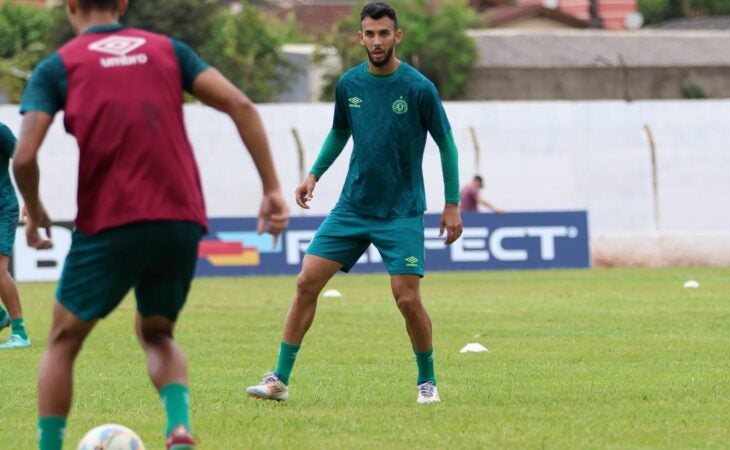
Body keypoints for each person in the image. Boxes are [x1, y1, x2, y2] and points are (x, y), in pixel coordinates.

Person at [13, 1, 290, 449]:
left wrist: (35, 209)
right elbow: (241, 105)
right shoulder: (167, 50)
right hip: (179, 219)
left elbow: (24, 157)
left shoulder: (58, 66)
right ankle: (178, 428)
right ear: (122, 3)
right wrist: (272, 188)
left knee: (62, 341)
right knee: (157, 333)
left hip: (110, 220)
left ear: (69, 6)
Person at [246, 2, 462, 405]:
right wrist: (314, 173)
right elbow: (339, 132)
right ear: (360, 37)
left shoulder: (419, 88)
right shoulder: (349, 85)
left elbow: (446, 143)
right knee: (306, 282)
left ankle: (426, 381)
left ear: (397, 36)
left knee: (407, 299)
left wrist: (452, 203)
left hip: (401, 211)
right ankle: (278, 379)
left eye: (384, 33)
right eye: (369, 33)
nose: (376, 41)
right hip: (352, 207)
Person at [0, 123, 30, 349]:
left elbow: (25, 161)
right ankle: (1, 316)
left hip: (3, 208)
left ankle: (20, 333)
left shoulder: (1, 131)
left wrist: (31, 201)